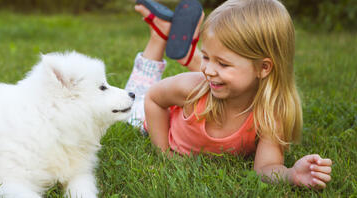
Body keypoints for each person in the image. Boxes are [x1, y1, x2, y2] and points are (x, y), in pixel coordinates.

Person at [125, 0, 333, 189]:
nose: (208, 70)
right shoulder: (194, 88)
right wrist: (164, 153)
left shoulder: (270, 113)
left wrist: (290, 174)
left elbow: (265, 168)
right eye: (205, 57)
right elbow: (153, 98)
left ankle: (174, 41)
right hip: (152, 118)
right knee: (134, 98)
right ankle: (158, 38)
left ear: (264, 67)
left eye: (223, 63)